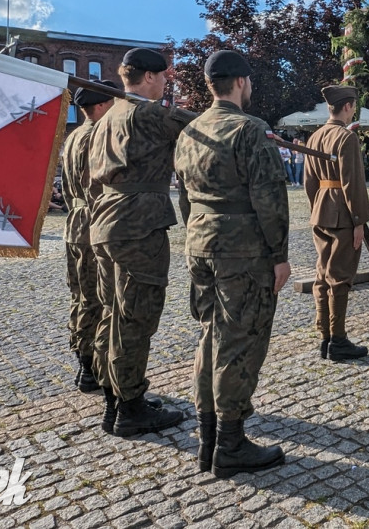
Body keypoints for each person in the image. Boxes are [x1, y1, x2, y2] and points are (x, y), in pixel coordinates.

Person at [174, 49, 290, 476]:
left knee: (210, 335)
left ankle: (209, 438)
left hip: (199, 244)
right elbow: (270, 199)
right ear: (240, 82)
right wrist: (279, 254)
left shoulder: (190, 131)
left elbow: (185, 196)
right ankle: (231, 443)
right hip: (243, 250)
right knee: (240, 340)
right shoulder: (250, 129)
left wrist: (199, 234)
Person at [89, 47, 187, 437]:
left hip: (107, 220)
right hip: (138, 225)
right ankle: (129, 408)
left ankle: (115, 399)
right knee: (136, 317)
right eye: (163, 77)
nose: (165, 83)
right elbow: (202, 128)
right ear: (148, 77)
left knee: (113, 314)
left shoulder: (107, 117)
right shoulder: (147, 114)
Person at [305, 85, 369, 361]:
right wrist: (359, 220)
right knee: (340, 278)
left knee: (322, 276)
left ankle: (324, 337)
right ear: (347, 106)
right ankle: (338, 339)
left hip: (321, 208)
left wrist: (317, 207)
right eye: (354, 106)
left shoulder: (315, 136)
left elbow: (309, 181)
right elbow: (352, 183)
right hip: (343, 214)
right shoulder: (346, 138)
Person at [61, 80, 117, 394]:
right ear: (99, 107)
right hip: (93, 224)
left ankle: (88, 363)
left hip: (76, 222)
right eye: (113, 104)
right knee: (93, 299)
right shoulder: (96, 135)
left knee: (81, 296)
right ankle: (89, 368)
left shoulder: (73, 137)